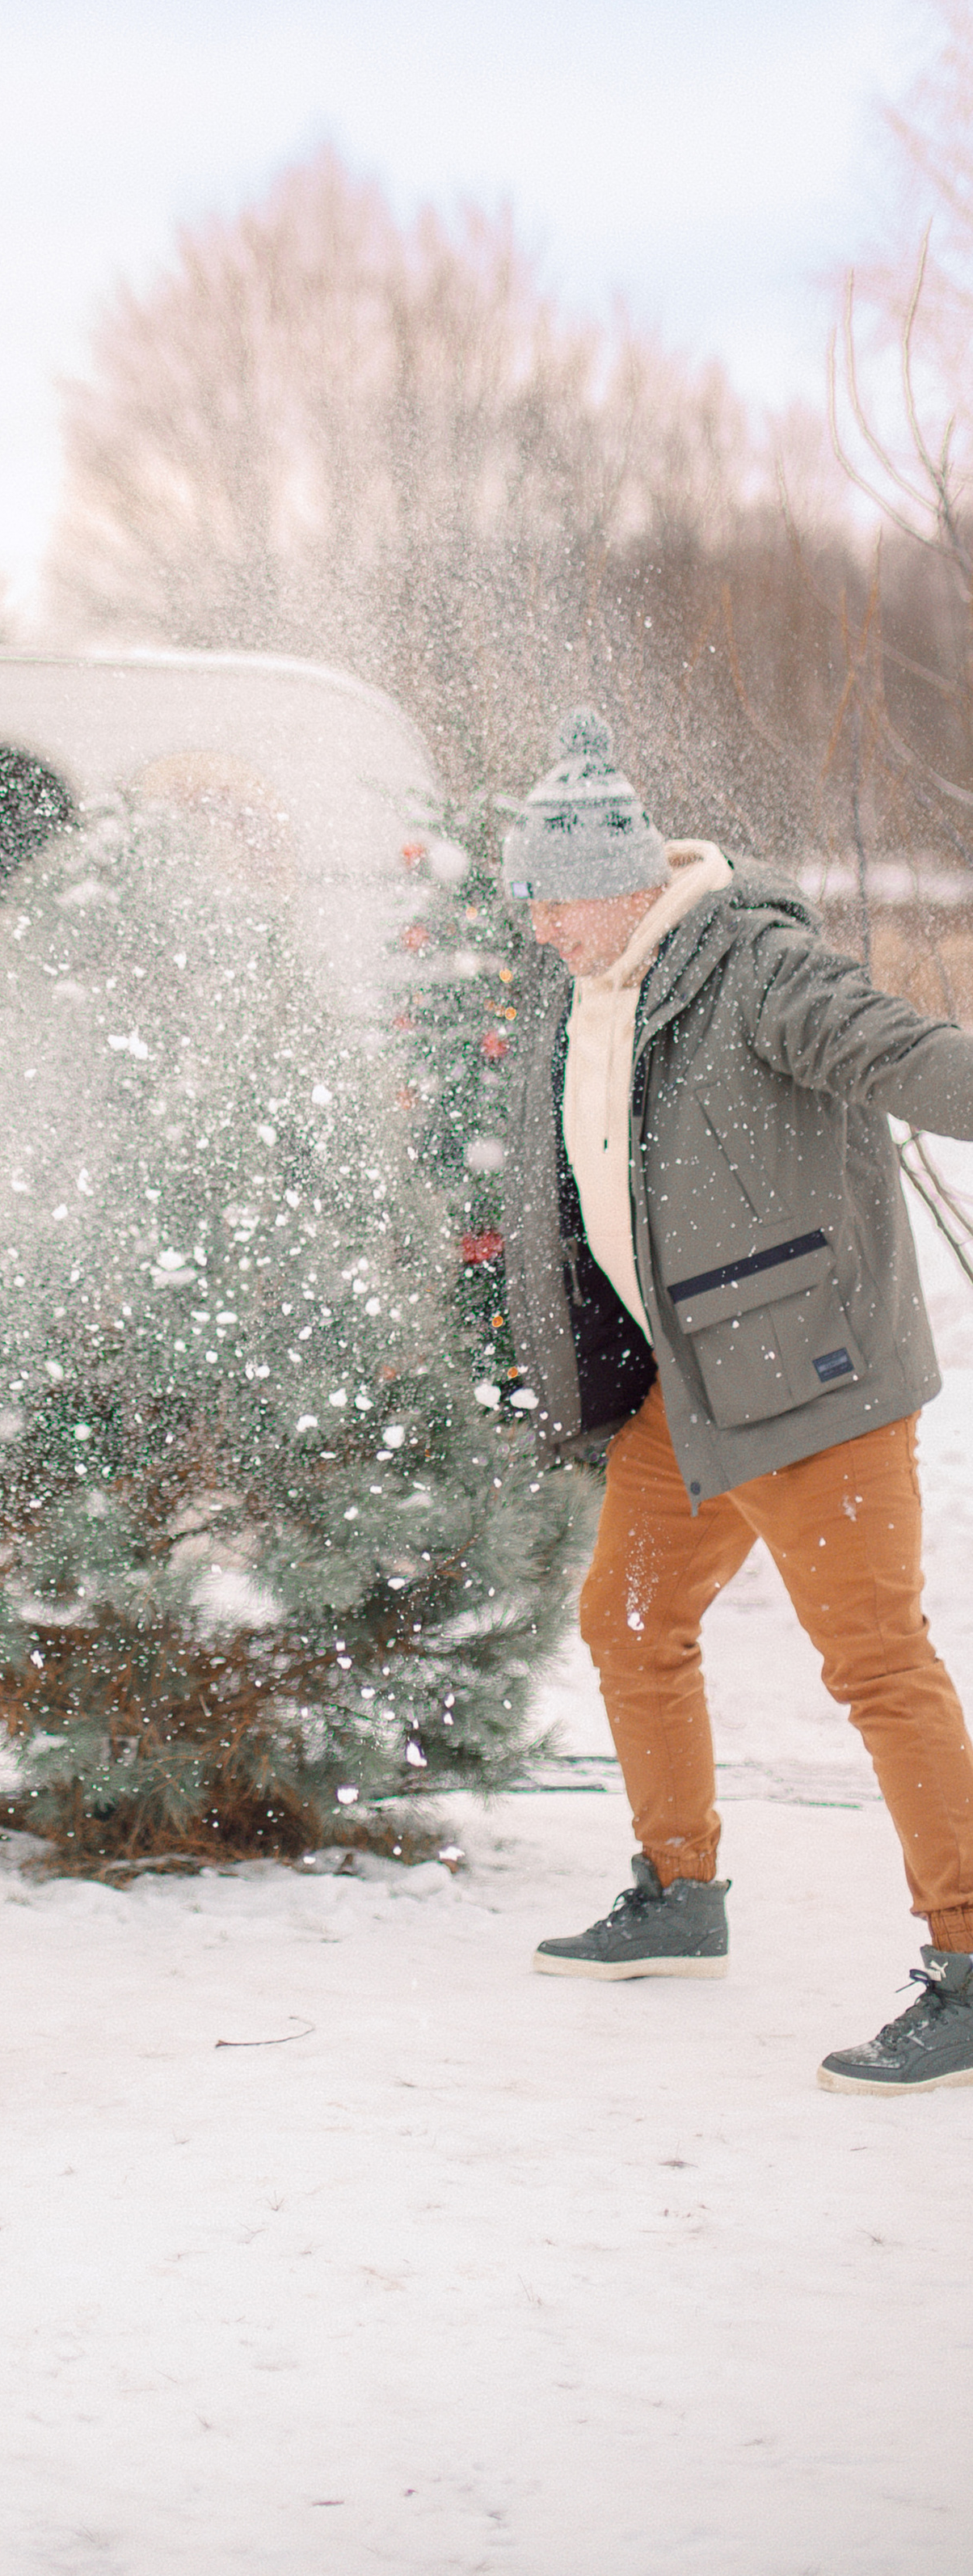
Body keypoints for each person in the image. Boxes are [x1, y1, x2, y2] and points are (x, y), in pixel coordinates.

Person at [499, 709, 973, 2094]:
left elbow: (890, 1047)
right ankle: (680, 1891)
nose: (538, 928)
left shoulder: (752, 964)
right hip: (691, 1390)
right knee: (631, 1618)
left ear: (622, 880)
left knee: (877, 1665)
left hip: (813, 1390)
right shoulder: (597, 988)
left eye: (551, 899)